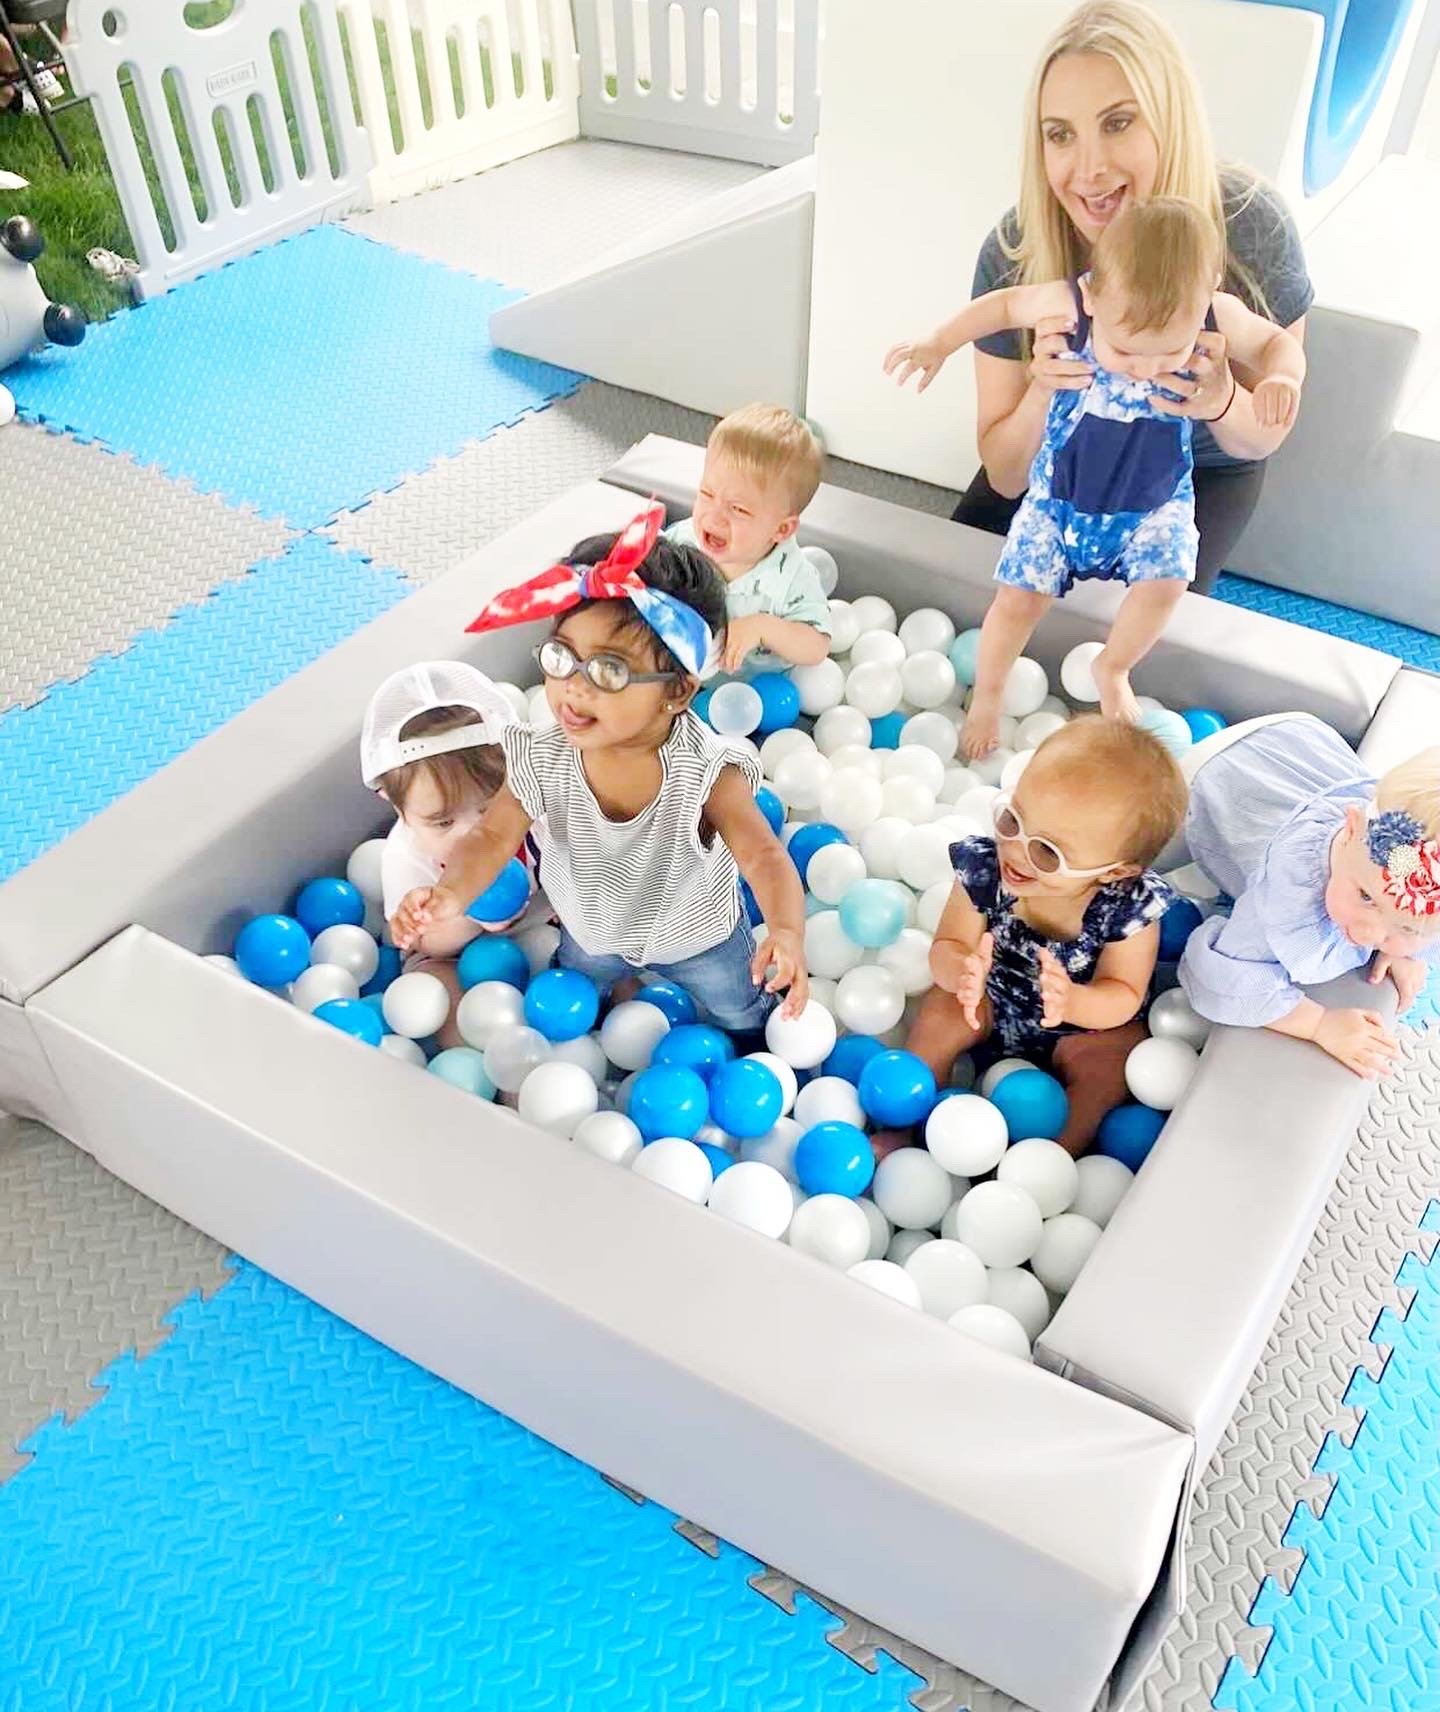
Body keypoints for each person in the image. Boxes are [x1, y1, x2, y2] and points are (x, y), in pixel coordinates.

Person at [885, 196, 1304, 754]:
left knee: (1169, 580)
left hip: (1155, 502)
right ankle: (987, 694)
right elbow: (1001, 307)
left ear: (1207, 293)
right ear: (1093, 294)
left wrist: (1282, 377)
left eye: (1168, 353)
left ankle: (1114, 667)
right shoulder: (1068, 303)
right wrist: (939, 342)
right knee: (1017, 599)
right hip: (1060, 498)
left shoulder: (1215, 313)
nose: (1147, 368)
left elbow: (1276, 342)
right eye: (1126, 349)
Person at [390, 505, 809, 1032]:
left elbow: (763, 855)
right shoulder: (542, 756)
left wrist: (786, 932)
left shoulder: (706, 774)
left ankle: (750, 1035)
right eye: (562, 657)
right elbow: (492, 837)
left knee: (740, 1009)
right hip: (591, 932)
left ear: (678, 692)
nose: (574, 687)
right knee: (579, 994)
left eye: (609, 671)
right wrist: (452, 894)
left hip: (698, 938)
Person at [947, 0, 1311, 595]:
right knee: (960, 599)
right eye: (1060, 135)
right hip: (1064, 463)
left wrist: (1220, 400)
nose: (1088, 168)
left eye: (1117, 123)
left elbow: (1261, 439)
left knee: (1133, 634)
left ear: (1169, 120)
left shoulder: (1251, 226)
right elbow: (1007, 477)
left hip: (1193, 473)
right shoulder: (1016, 252)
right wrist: (1044, 390)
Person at [884, 716, 1187, 1157]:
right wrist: (961, 972)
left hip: (1082, 1030)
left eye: (1048, 851)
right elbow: (948, 945)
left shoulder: (1129, 907)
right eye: (1012, 820)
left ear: (1114, 872)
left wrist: (1075, 1002)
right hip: (988, 1003)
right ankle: (902, 1125)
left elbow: (1123, 993)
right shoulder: (985, 869)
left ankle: (1050, 1160)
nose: (1016, 851)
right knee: (941, 1012)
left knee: (1112, 1063)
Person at [1178, 715, 1440, 1079]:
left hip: (1296, 745)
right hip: (1217, 776)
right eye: (1366, 897)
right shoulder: (1290, 891)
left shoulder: (1378, 856)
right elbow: (1220, 977)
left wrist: (1404, 949)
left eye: (1408, 925)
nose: (1367, 934)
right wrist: (1318, 1023)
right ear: (1350, 829)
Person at [362, 660, 541, 1046]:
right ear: (399, 810)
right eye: (443, 822)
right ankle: (474, 1058)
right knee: (433, 987)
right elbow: (426, 943)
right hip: (453, 951)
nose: (471, 833)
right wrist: (469, 913)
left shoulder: (534, 809)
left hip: (545, 926)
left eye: (488, 809)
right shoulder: (406, 855)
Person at [667, 403, 832, 673]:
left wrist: (763, 627)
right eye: (707, 493)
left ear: (781, 530)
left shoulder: (792, 577)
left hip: (757, 691)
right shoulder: (682, 542)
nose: (714, 517)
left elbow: (818, 646)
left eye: (738, 509)